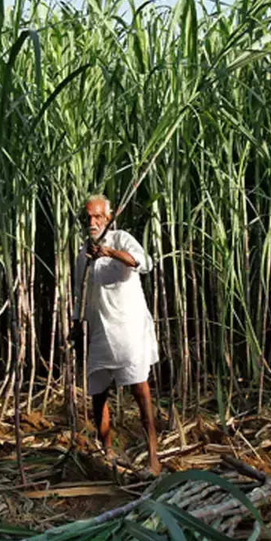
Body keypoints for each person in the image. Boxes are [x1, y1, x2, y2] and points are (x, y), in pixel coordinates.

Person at [71, 194, 162, 475]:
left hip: (129, 328)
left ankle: (153, 456)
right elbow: (80, 292)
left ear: (108, 218)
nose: (92, 222)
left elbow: (144, 262)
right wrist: (76, 323)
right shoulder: (82, 253)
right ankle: (107, 452)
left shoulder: (121, 239)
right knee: (98, 392)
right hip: (100, 328)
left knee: (139, 388)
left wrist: (109, 253)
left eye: (98, 217)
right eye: (88, 217)